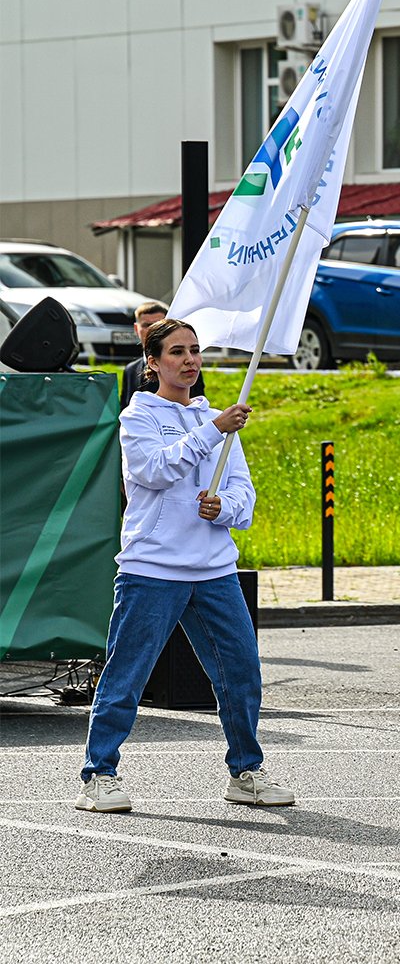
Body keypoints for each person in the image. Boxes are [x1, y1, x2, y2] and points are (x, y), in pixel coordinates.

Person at [77, 318, 291, 813]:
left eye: (195, 351)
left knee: (241, 672)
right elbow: (152, 471)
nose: (190, 360)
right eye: (177, 352)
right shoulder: (139, 417)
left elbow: (244, 494)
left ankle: (246, 773)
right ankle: (99, 775)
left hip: (215, 569)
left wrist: (226, 509)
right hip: (152, 568)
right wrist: (213, 431)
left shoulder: (217, 418)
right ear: (152, 363)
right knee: (127, 672)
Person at [121, 301, 204, 410]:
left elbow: (196, 408)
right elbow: (124, 407)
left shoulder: (190, 368)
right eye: (147, 325)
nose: (190, 360)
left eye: (195, 350)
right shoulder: (131, 369)